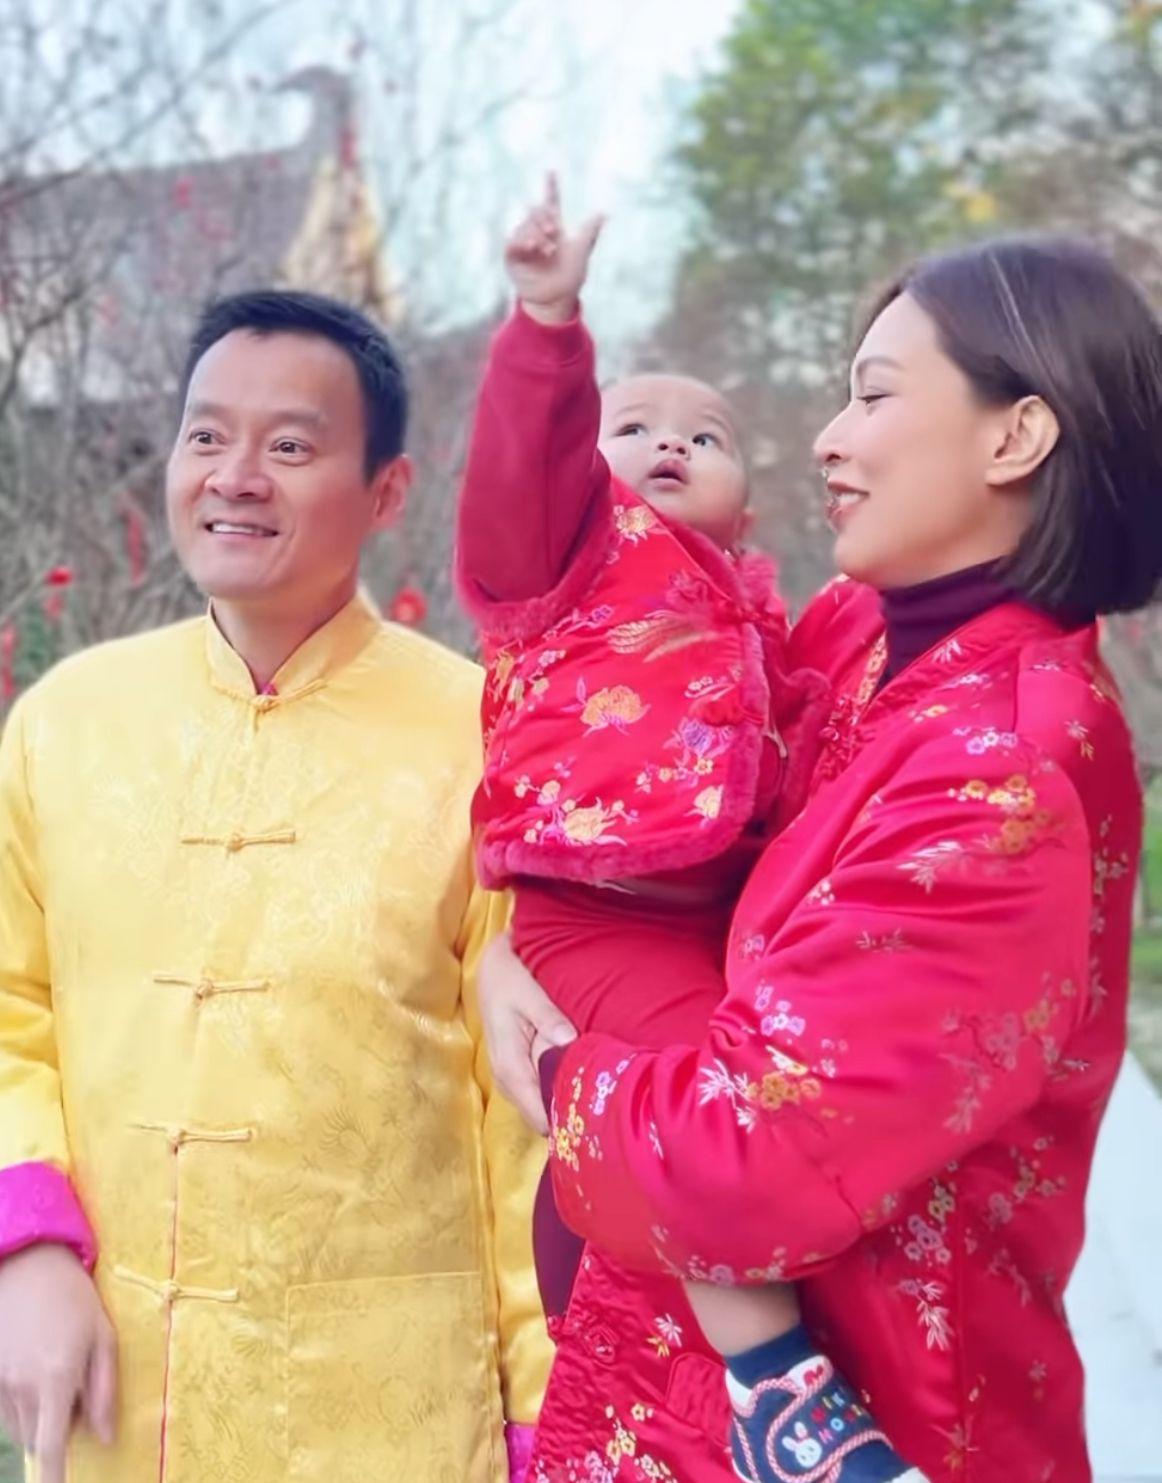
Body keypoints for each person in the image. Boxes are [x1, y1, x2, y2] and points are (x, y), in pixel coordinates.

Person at [479, 235, 1162, 1482]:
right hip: (674, 1387)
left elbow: (743, 1162)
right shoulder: (862, 639)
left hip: (882, 1417)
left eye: (874, 395)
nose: (828, 441)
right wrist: (535, 928)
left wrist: (549, 1050)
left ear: (1016, 436)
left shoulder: (1005, 767)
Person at [0, 290, 551, 1483]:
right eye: (206, 436)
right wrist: (22, 1246)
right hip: (117, 1403)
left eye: (290, 445)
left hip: (396, 1420)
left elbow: (526, 1123)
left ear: (386, 492)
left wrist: (546, 1416)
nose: (236, 476)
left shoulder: (486, 741)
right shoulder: (70, 723)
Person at [456, 177, 919, 1483]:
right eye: (634, 427)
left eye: (704, 437)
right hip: (588, 913)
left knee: (729, 1116)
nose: (669, 443)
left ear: (746, 507)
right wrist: (549, 329)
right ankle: (776, 1386)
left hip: (705, 920)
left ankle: (632, 1272)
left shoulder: (758, 621)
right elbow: (521, 468)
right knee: (702, 1113)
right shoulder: (563, 569)